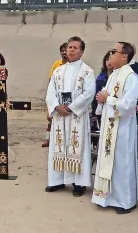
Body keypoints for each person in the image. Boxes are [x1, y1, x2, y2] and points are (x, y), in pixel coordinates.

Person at [92, 42, 138, 214]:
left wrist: (108, 100)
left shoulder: (131, 77)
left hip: (122, 129)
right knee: (107, 161)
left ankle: (125, 201)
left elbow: (128, 104)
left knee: (121, 164)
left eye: (114, 51)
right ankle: (105, 197)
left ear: (124, 56)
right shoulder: (113, 75)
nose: (110, 54)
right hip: (109, 126)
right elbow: (105, 95)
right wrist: (101, 99)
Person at [45, 36, 95, 197]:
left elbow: (89, 94)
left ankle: (79, 184)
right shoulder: (58, 71)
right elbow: (50, 92)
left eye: (75, 48)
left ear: (81, 52)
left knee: (76, 147)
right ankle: (57, 181)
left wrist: (72, 107)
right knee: (58, 146)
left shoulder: (87, 71)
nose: (71, 50)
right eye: (69, 47)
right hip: (60, 116)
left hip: (76, 117)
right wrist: (56, 107)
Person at [42, 43, 68, 147]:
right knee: (52, 118)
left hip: (66, 96)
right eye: (62, 50)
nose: (64, 52)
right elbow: (50, 80)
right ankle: (49, 140)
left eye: (65, 50)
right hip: (56, 94)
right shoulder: (56, 64)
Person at [91, 51, 113, 128]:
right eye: (107, 59)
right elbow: (95, 96)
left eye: (110, 59)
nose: (109, 62)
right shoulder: (100, 78)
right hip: (101, 110)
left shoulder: (118, 76)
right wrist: (94, 114)